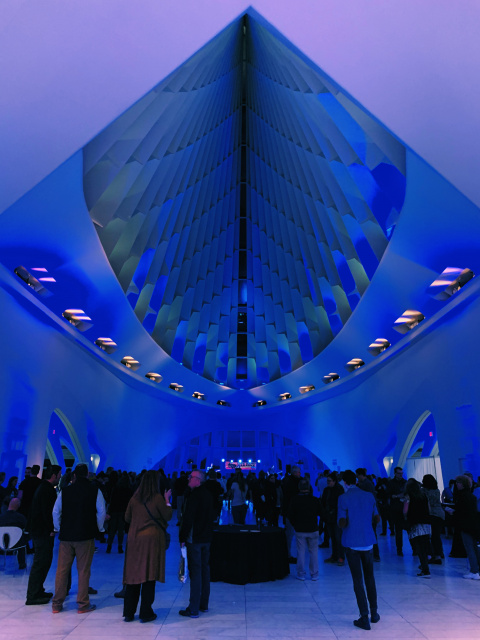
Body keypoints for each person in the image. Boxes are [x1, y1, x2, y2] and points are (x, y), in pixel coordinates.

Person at [51, 463, 106, 614]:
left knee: (62, 570)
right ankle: (82, 604)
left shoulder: (65, 491)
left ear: (74, 475)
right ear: (87, 474)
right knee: (83, 571)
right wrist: (99, 529)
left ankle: (57, 604)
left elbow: (56, 511)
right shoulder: (95, 490)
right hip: (85, 535)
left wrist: (59, 528)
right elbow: (101, 512)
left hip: (66, 536)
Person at [122, 470, 172, 622]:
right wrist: (167, 500)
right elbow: (168, 515)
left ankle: (129, 612)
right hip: (151, 541)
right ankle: (146, 612)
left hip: (134, 540)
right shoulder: (157, 498)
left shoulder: (134, 498)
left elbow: (127, 517)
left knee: (133, 576)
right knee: (149, 576)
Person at [338, 470, 380, 631]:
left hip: (352, 543)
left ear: (345, 482)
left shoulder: (343, 498)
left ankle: (364, 617)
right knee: (370, 577)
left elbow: (342, 522)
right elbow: (376, 517)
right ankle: (374, 613)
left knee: (358, 580)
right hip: (368, 542)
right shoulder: (369, 496)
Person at [178, 470, 214, 618]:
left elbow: (188, 518)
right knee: (205, 570)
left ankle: (193, 608)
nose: (189, 479)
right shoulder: (208, 495)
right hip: (206, 538)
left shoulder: (194, 496)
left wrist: (182, 537)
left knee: (196, 572)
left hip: (195, 539)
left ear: (198, 480)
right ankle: (203, 604)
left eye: (191, 477)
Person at [25, 465, 62, 604]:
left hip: (38, 531)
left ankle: (37, 590)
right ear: (53, 475)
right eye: (59, 475)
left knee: (42, 562)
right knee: (41, 562)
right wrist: (51, 529)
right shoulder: (47, 491)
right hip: (42, 532)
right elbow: (48, 513)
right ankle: (33, 595)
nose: (59, 478)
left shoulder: (43, 488)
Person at [446, 475, 480, 579]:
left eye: (458, 482)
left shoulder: (462, 497)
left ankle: (474, 571)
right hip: (474, 525)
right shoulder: (471, 496)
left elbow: (462, 512)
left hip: (465, 525)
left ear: (463, 484)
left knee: (469, 548)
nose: (457, 484)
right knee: (475, 548)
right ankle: (477, 570)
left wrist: (452, 512)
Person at [289, 478, 320, 581]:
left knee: (301, 552)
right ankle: (314, 574)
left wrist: (295, 525)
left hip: (300, 529)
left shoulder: (294, 500)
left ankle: (301, 574)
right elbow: (322, 513)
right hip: (313, 529)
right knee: (314, 552)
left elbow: (290, 515)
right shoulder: (315, 500)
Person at [403, 478, 431, 578]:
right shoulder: (424, 495)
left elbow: (405, 511)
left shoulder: (408, 496)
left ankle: (425, 568)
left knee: (419, 547)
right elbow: (428, 508)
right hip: (425, 523)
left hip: (414, 523)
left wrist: (406, 518)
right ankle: (425, 567)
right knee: (425, 545)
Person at [321, 472, 345, 565]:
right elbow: (323, 501)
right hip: (329, 517)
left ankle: (340, 557)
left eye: (330, 481)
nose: (328, 482)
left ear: (334, 481)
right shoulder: (327, 490)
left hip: (336, 517)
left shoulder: (339, 490)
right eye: (327, 481)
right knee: (333, 538)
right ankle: (335, 556)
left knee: (338, 538)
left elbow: (340, 503)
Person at [421, 474, 445, 564]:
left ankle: (433, 555)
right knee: (437, 536)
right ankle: (439, 553)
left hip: (431, 514)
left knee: (431, 536)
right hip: (440, 514)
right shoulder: (437, 490)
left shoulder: (424, 491)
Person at [0, 497, 27, 569]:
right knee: (23, 537)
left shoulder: (1, 517)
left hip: (2, 544)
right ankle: (22, 564)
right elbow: (25, 529)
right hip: (17, 543)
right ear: (18, 506)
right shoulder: (20, 517)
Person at [282, 465, 302, 562]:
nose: (300, 474)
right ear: (295, 473)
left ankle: (287, 554)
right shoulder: (295, 483)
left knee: (289, 534)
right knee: (290, 534)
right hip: (293, 512)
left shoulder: (287, 481)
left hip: (289, 512)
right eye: (298, 472)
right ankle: (288, 555)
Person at [387, 466, 407, 556]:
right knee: (398, 530)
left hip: (404, 508)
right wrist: (396, 496)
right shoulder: (391, 483)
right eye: (399, 473)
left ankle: (414, 549)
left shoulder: (405, 482)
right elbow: (388, 495)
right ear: (395, 473)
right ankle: (399, 549)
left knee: (409, 529)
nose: (400, 475)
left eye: (401, 473)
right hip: (396, 509)